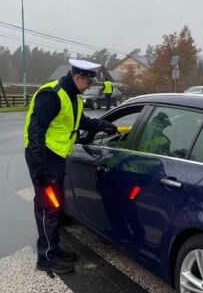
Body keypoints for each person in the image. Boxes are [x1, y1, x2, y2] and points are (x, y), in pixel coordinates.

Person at [23, 59, 118, 274]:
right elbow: (35, 132)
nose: (88, 87)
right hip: (44, 158)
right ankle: (46, 257)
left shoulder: (72, 95)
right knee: (48, 208)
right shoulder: (52, 95)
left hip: (56, 157)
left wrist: (101, 125)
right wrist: (39, 169)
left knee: (56, 206)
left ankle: (53, 248)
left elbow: (77, 121)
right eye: (87, 82)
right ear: (77, 77)